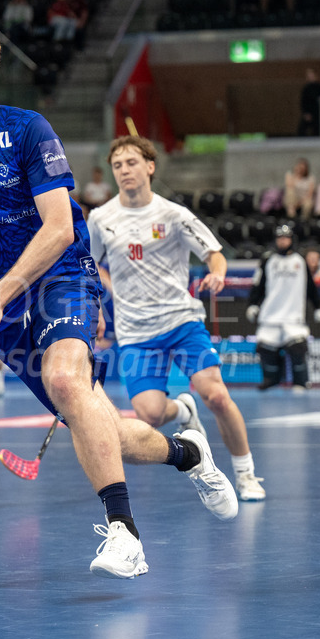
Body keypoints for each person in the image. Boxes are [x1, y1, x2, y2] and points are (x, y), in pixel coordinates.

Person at [0, 20, 237, 580]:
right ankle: (189, 453)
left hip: (60, 276)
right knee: (89, 418)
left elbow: (57, 227)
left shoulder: (27, 130)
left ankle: (124, 532)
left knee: (64, 381)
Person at [87, 135, 266, 503]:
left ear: (150, 167)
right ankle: (183, 408)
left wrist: (217, 272)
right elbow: (86, 265)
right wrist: (98, 303)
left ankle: (246, 473)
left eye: (132, 162)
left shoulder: (173, 214)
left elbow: (214, 252)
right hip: (136, 331)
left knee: (216, 395)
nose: (124, 170)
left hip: (181, 322)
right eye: (118, 165)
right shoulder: (102, 219)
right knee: (150, 415)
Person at [247, 224, 320, 391]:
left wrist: (318, 306)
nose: (283, 241)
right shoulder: (268, 260)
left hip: (293, 316)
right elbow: (258, 285)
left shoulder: (300, 260)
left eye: (286, 238)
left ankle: (301, 382)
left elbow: (310, 286)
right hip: (270, 315)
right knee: (266, 349)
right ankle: (271, 380)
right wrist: (253, 304)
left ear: (291, 239)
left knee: (297, 349)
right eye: (280, 238)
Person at [297, 67, 320, 137]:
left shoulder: (319, 87)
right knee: (301, 130)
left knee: (317, 131)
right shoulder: (306, 88)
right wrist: (306, 113)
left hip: (317, 113)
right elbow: (303, 102)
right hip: (308, 113)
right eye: (308, 75)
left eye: (311, 74)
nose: (310, 76)